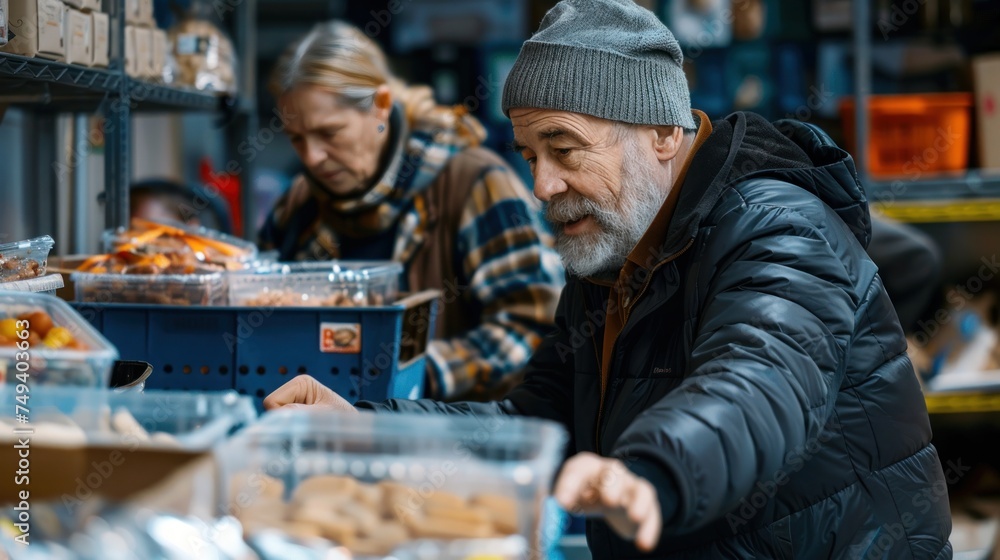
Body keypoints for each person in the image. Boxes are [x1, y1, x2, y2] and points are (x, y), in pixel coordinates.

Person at [264, 1, 953, 558]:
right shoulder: (613, 251)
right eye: (530, 154)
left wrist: (651, 468)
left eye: (563, 149)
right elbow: (536, 426)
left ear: (661, 132)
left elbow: (759, 380)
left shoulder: (777, 227)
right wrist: (369, 430)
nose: (541, 184)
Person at [258, 22, 565, 400]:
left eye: (329, 133)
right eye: (297, 139)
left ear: (381, 107)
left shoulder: (473, 183)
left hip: (451, 441)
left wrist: (404, 376)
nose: (312, 157)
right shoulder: (298, 205)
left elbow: (531, 325)